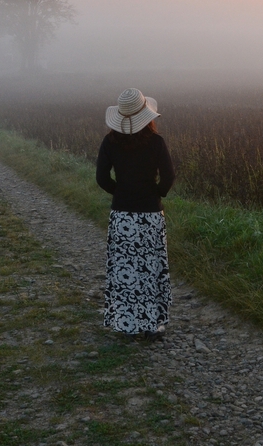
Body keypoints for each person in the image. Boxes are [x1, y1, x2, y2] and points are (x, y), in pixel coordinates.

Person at [96, 87, 176, 340]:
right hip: (150, 214)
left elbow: (101, 178)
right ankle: (153, 326)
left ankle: (127, 324)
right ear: (147, 115)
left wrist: (120, 192)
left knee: (125, 268)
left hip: (122, 215)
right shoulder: (156, 142)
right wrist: (156, 193)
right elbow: (169, 177)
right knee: (151, 266)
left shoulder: (110, 142)